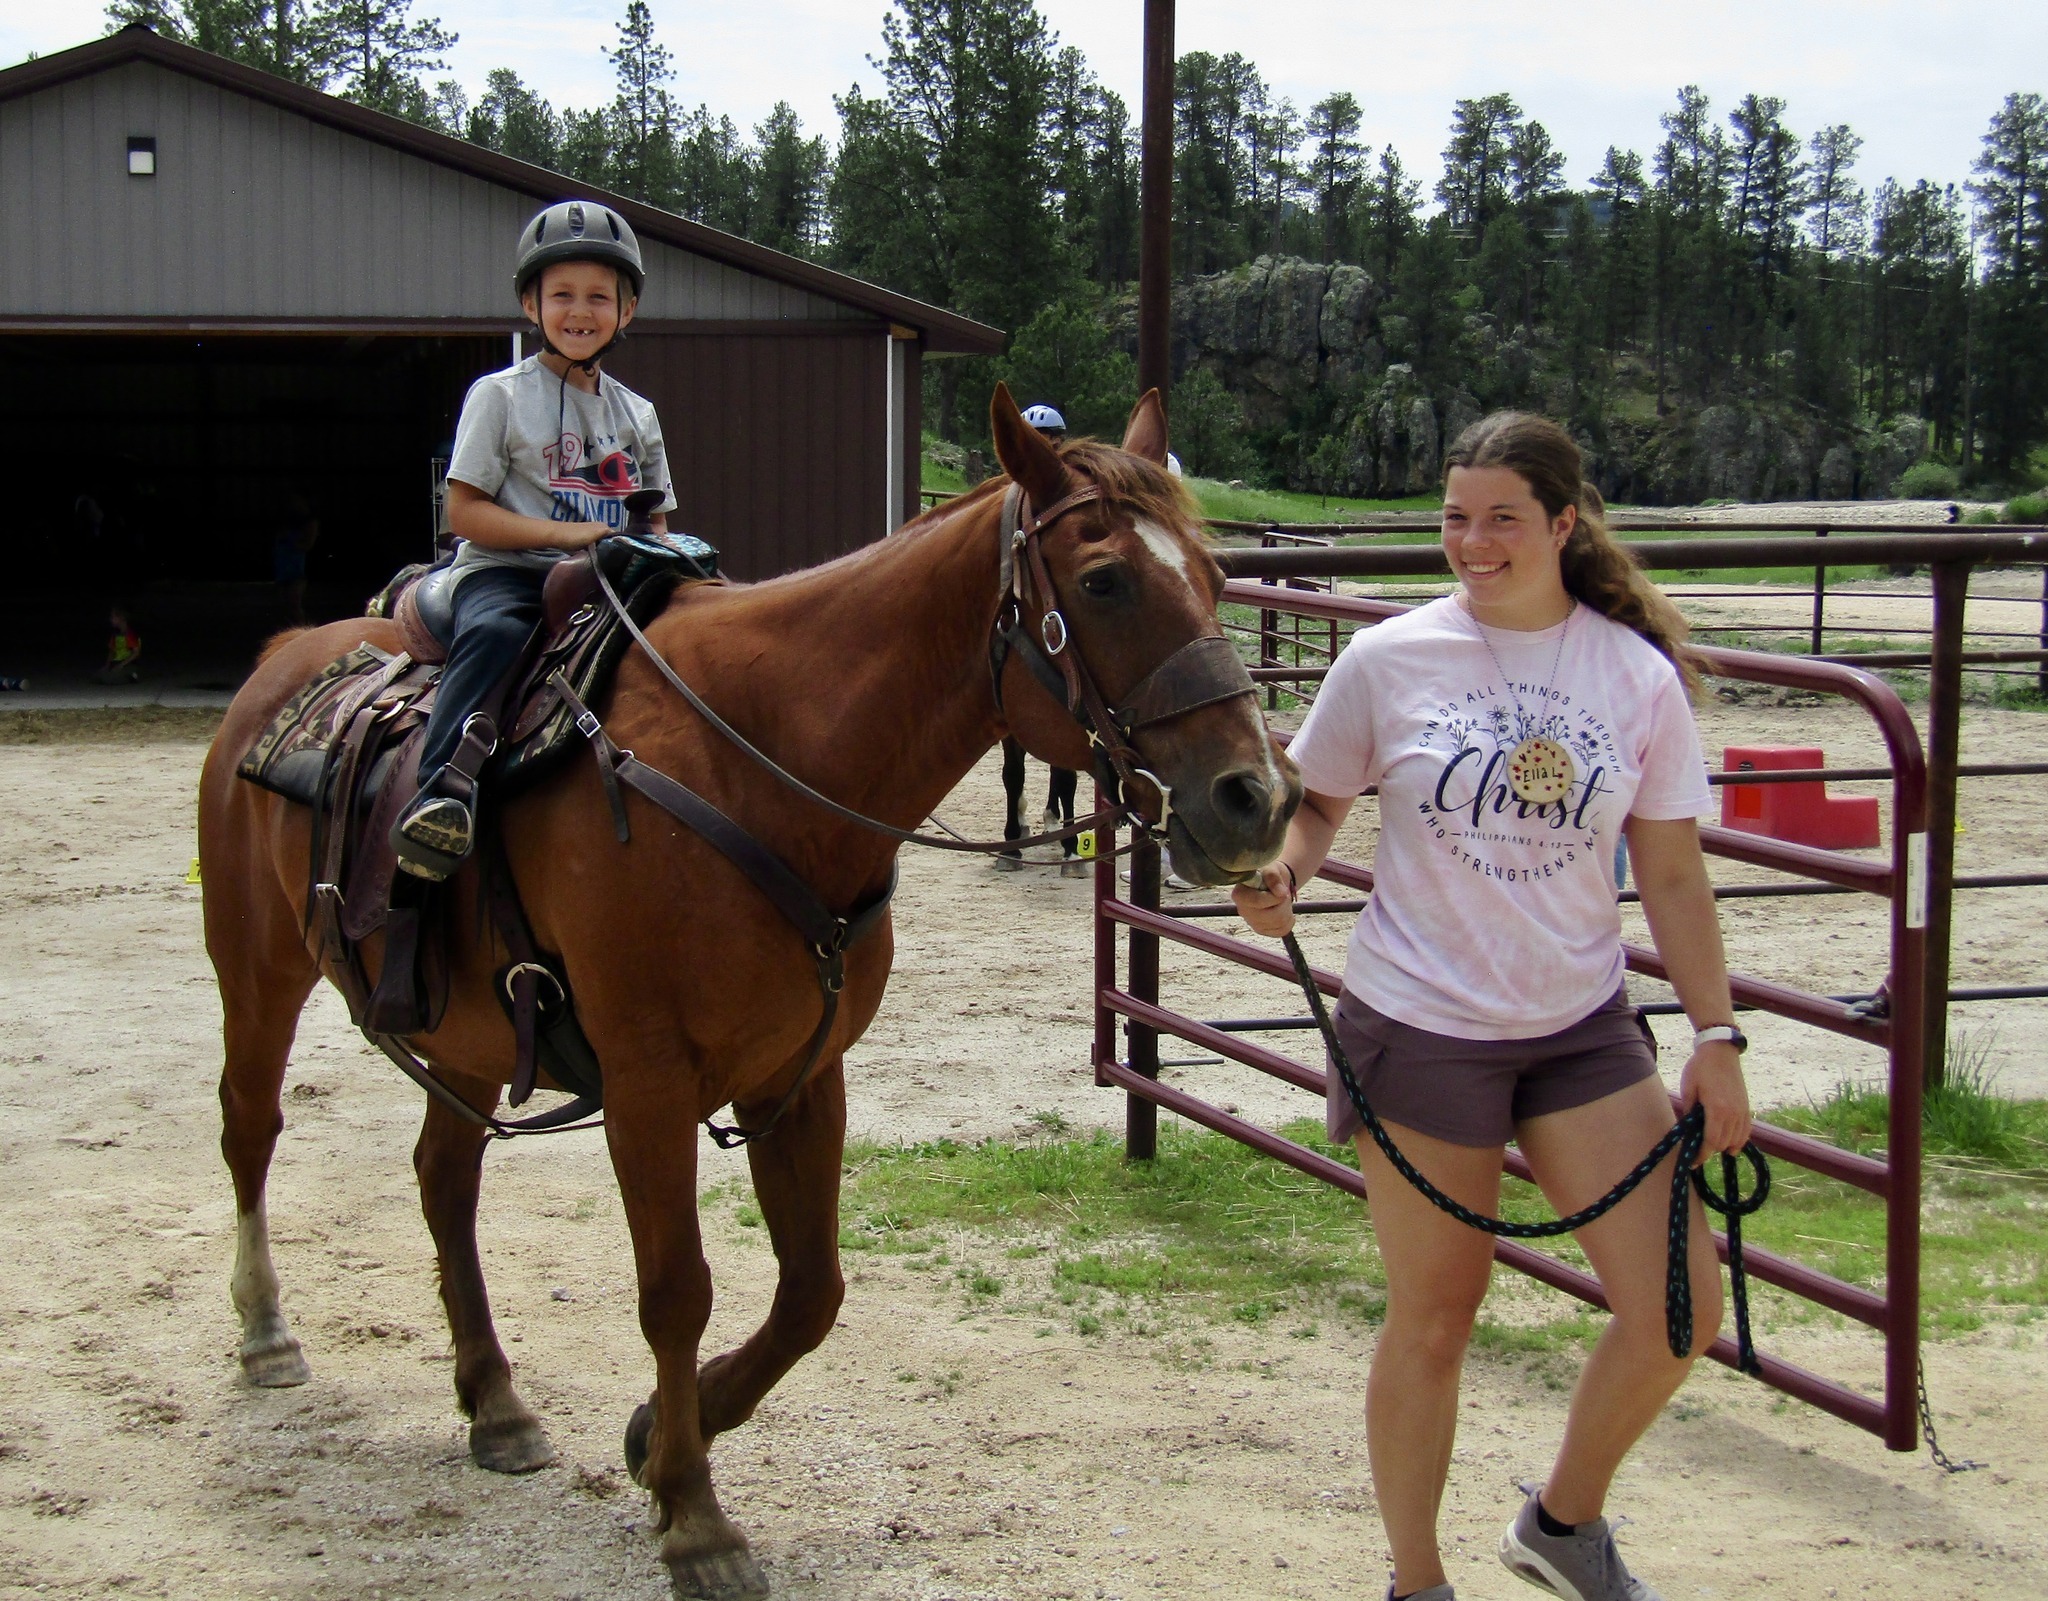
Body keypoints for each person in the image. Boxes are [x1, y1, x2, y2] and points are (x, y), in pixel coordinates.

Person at [1232, 412, 1751, 1601]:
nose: (1470, 541)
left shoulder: (1630, 675)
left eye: (1500, 517)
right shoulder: (1390, 657)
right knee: (1433, 1318)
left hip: (1576, 1024)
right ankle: (1415, 1582)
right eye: (1454, 515)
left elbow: (1669, 871)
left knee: (1679, 1305)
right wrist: (1285, 875)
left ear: (1562, 524)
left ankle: (1561, 1522)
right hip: (1417, 1024)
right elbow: (1313, 806)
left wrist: (1716, 1037)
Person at [390, 199, 674, 880]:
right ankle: (442, 793)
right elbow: (465, 513)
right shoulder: (499, 396)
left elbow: (655, 517)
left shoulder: (638, 413)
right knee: (493, 634)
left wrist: (660, 555)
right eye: (563, 294)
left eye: (599, 297)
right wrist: (569, 534)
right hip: (507, 572)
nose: (581, 310)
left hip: (609, 580)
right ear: (531, 302)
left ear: (626, 311)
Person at [95, 605, 143, 685]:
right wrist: (107, 665)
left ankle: (133, 675)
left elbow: (136, 653)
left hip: (129, 664)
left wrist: (121, 665)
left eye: (113, 617)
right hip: (118, 663)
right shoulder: (115, 634)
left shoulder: (129, 634)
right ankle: (128, 676)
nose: (111, 620)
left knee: (110, 679)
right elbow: (112, 652)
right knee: (98, 676)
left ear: (122, 618)